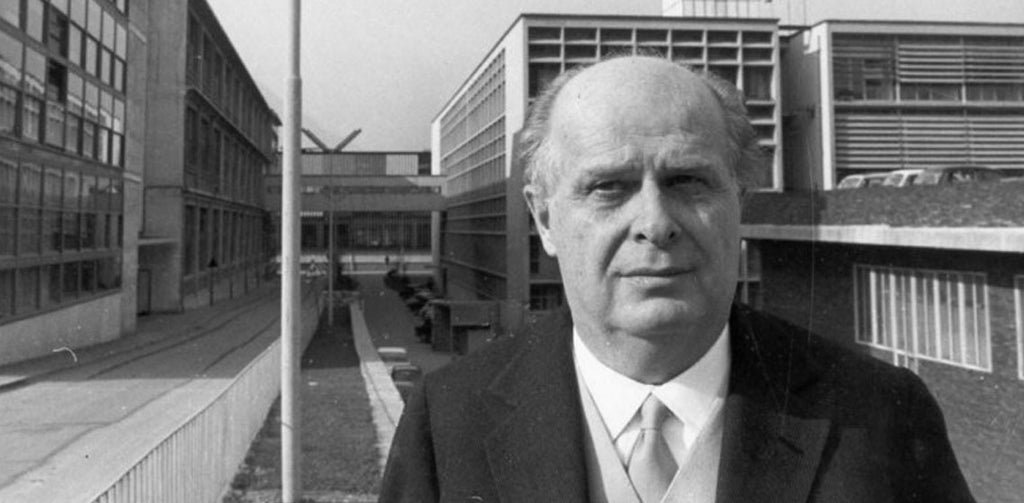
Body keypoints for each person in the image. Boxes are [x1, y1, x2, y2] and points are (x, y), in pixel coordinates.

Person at [379, 57, 974, 502]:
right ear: (543, 218)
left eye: (688, 181)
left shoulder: (882, 416)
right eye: (608, 186)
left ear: (740, 202)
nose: (655, 223)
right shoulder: (448, 421)